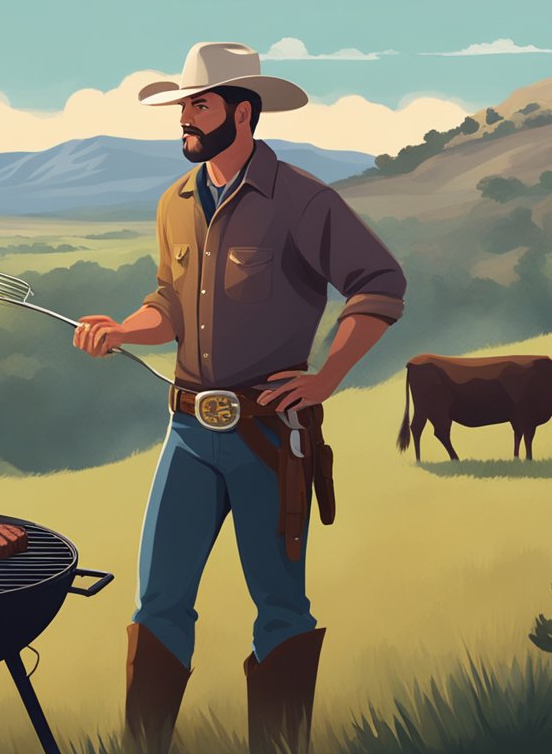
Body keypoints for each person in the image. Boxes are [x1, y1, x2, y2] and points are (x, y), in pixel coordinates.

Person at [72, 41, 407, 754]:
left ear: (243, 112)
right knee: (159, 603)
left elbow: (380, 283)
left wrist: (326, 377)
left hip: (269, 439)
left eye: (200, 105)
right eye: (183, 106)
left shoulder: (305, 201)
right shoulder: (176, 202)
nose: (185, 120)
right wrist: (121, 329)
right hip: (188, 436)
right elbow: (168, 307)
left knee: (281, 611)